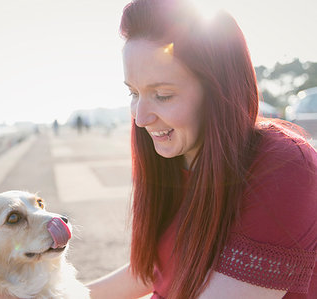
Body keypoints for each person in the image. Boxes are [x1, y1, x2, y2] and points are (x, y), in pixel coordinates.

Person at [87, 0, 317, 298]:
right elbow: (153, 272)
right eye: (134, 92)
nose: (141, 119)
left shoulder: (284, 168)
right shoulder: (176, 159)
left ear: (219, 91)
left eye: (163, 95)